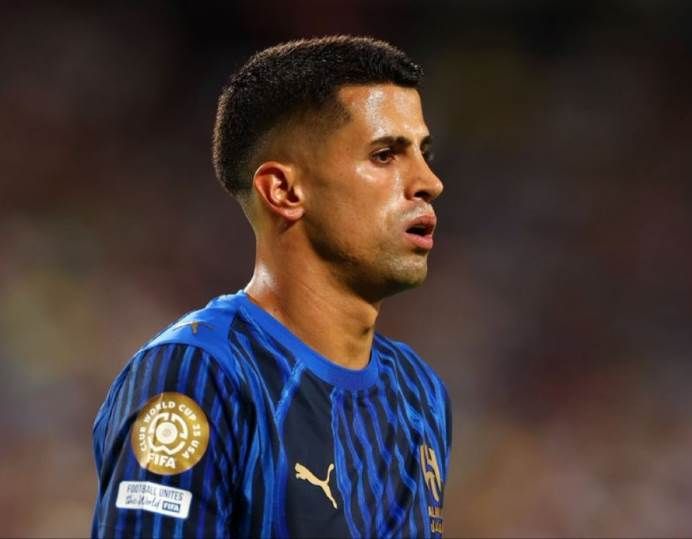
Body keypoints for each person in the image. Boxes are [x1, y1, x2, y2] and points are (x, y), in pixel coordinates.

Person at [91, 35, 451, 538]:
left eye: (423, 152)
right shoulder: (198, 375)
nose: (429, 181)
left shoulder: (419, 392)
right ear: (283, 190)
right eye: (385, 154)